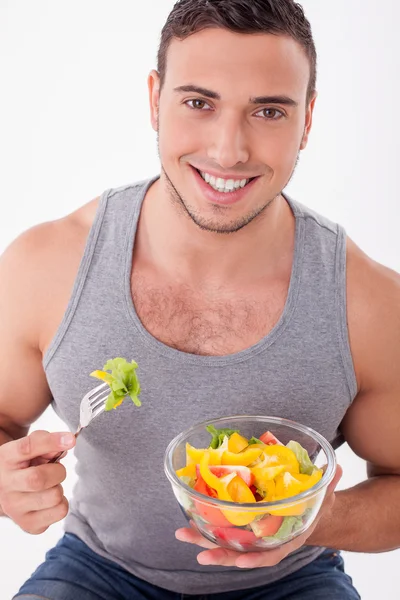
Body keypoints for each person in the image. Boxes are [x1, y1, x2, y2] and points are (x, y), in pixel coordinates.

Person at [0, 0, 399, 598]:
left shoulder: (368, 303)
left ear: (308, 121)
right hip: (98, 569)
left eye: (268, 110)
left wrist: (316, 518)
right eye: (198, 102)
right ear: (154, 99)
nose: (228, 150)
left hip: (294, 576)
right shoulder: (46, 265)